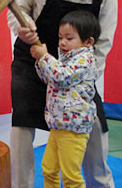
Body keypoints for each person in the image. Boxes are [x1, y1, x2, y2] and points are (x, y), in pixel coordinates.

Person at [8, 0, 117, 187]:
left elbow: (101, 46)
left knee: (95, 128)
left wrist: (79, 81)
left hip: (77, 73)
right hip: (32, 62)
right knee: (22, 126)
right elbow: (18, 9)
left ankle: (101, 183)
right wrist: (22, 28)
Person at [30, 10, 100, 187]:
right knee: (48, 169)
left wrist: (45, 57)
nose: (62, 42)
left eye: (69, 38)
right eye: (61, 37)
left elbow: (62, 77)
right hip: (58, 124)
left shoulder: (85, 60)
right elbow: (49, 77)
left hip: (73, 128)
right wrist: (40, 61)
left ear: (88, 41)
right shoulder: (66, 58)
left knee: (71, 177)